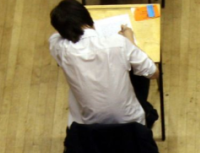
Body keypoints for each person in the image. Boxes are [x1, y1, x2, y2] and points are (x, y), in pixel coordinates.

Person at [48, 0, 160, 128]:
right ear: (89, 19)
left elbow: (55, 36)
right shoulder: (119, 43)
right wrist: (130, 40)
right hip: (130, 124)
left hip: (86, 127)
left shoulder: (59, 47)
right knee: (139, 73)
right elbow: (154, 73)